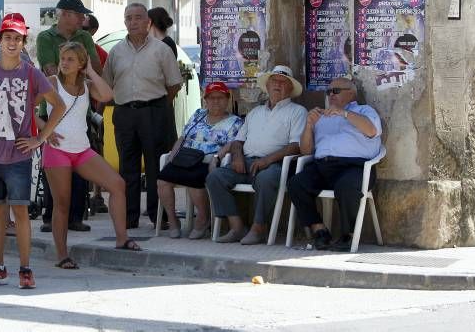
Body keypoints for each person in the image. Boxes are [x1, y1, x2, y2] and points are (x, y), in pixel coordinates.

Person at [0, 15, 66, 289]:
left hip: (19, 156)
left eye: (17, 38)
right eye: (7, 38)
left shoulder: (31, 73)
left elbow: (58, 106)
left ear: (23, 43)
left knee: (21, 212)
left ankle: (25, 269)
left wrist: (40, 139)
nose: (12, 43)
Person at [43, 43, 141, 269]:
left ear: (80, 64)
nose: (64, 63)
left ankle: (121, 238)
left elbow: (108, 94)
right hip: (57, 151)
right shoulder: (52, 83)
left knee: (117, 184)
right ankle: (62, 255)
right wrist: (44, 132)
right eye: (63, 58)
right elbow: (28, 107)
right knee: (63, 204)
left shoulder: (87, 85)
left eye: (70, 59)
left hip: (82, 149)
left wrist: (91, 72)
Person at [205, 65, 307, 245]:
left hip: (276, 164)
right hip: (246, 162)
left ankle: (258, 228)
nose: (278, 85)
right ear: (267, 86)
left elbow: (295, 146)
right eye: (274, 81)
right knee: (215, 177)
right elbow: (238, 142)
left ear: (290, 89)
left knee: (266, 179)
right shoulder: (255, 112)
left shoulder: (297, 111)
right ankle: (236, 227)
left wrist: (267, 160)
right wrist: (237, 157)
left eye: (283, 82)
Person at [103, 3, 183, 228]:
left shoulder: (162, 49)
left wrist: (157, 106)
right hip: (125, 114)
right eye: (129, 18)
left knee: (156, 166)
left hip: (154, 112)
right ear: (125, 22)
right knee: (127, 167)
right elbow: (106, 85)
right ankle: (129, 218)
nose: (133, 21)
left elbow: (174, 85)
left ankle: (159, 216)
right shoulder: (116, 52)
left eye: (138, 17)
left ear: (148, 22)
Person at [288, 77, 382, 252]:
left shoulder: (364, 111)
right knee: (296, 183)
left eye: (336, 91)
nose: (331, 95)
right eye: (328, 91)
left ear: (351, 94)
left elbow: (371, 130)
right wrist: (308, 125)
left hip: (355, 167)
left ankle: (348, 236)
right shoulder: (322, 117)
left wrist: (344, 113)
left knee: (346, 186)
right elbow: (306, 150)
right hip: (322, 166)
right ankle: (319, 231)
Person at [35, 0, 102, 233]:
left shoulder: (85, 36)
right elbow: (50, 69)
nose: (83, 19)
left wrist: (77, 75)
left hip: (79, 104)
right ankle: (49, 215)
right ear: (64, 14)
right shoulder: (45, 37)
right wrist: (74, 73)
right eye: (79, 14)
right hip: (52, 106)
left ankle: (75, 216)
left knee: (79, 163)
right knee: (54, 164)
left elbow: (95, 67)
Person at [157, 82, 244, 239]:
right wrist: (172, 156)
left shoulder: (236, 122)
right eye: (211, 98)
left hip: (207, 160)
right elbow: (183, 137)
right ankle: (172, 219)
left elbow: (233, 144)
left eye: (220, 97)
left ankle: (203, 218)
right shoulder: (198, 114)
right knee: (163, 179)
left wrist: (217, 157)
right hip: (186, 157)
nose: (216, 101)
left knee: (193, 179)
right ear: (206, 100)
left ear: (227, 100)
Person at [81, 13, 109, 214]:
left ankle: (97, 194)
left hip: (94, 109)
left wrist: (98, 112)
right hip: (75, 110)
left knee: (97, 149)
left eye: (84, 29)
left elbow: (106, 84)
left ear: (92, 32)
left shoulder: (99, 53)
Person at [147, 6, 180, 158]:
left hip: (162, 101)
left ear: (150, 23)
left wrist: (164, 103)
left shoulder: (166, 44)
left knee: (163, 148)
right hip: (154, 104)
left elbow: (171, 80)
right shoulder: (156, 43)